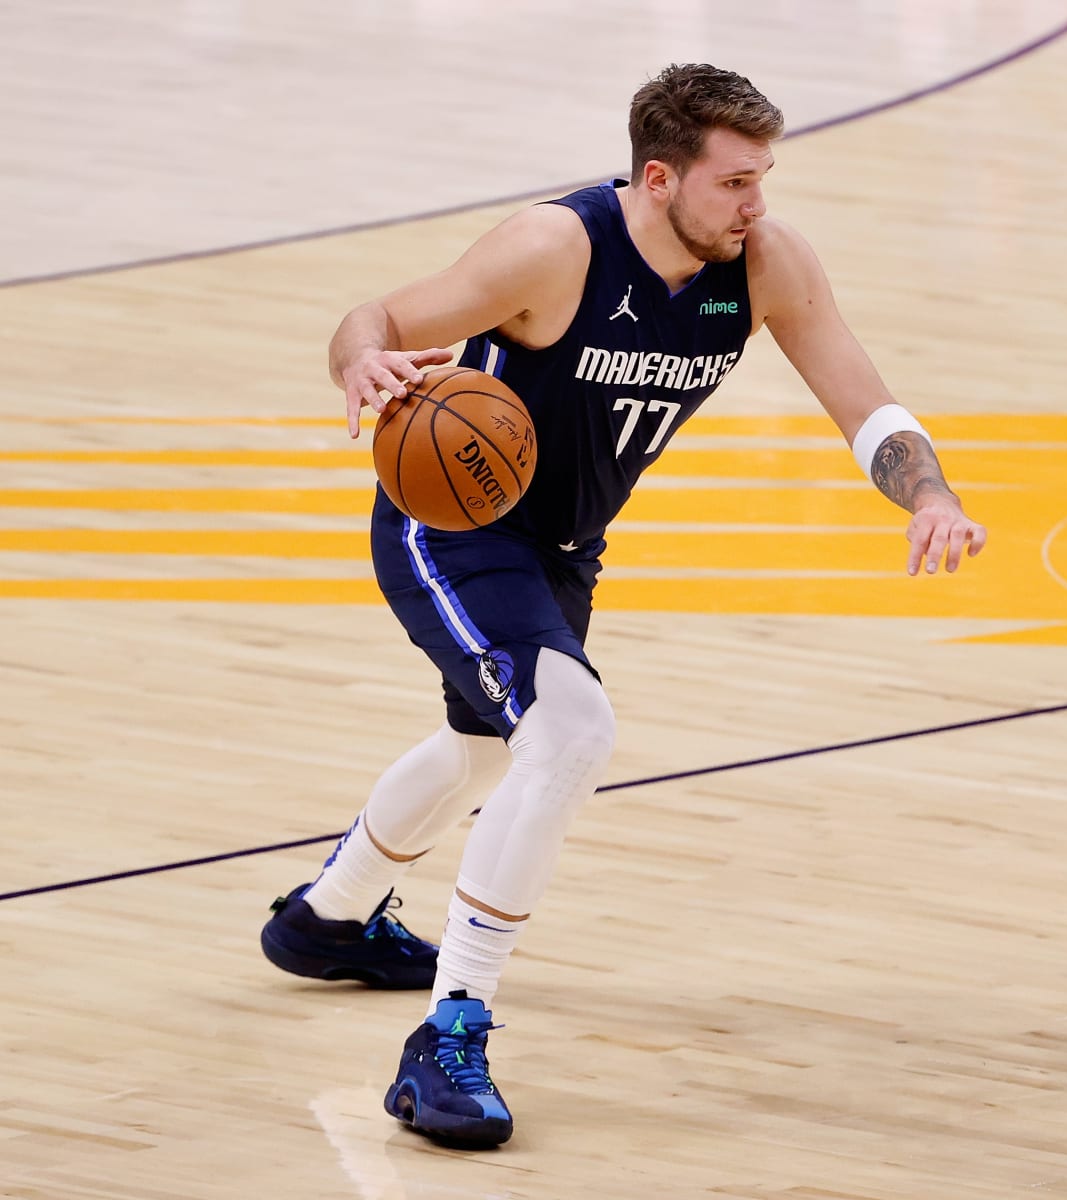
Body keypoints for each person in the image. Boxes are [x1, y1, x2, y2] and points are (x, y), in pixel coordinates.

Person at [258, 63, 987, 1148]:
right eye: (737, 182)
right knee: (569, 729)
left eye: (764, 178)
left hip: (560, 548)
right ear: (660, 177)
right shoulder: (556, 249)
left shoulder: (766, 263)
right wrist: (362, 359)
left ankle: (327, 921)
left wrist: (927, 488)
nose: (758, 204)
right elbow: (372, 315)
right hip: (452, 528)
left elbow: (863, 400)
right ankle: (449, 1035)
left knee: (491, 751)